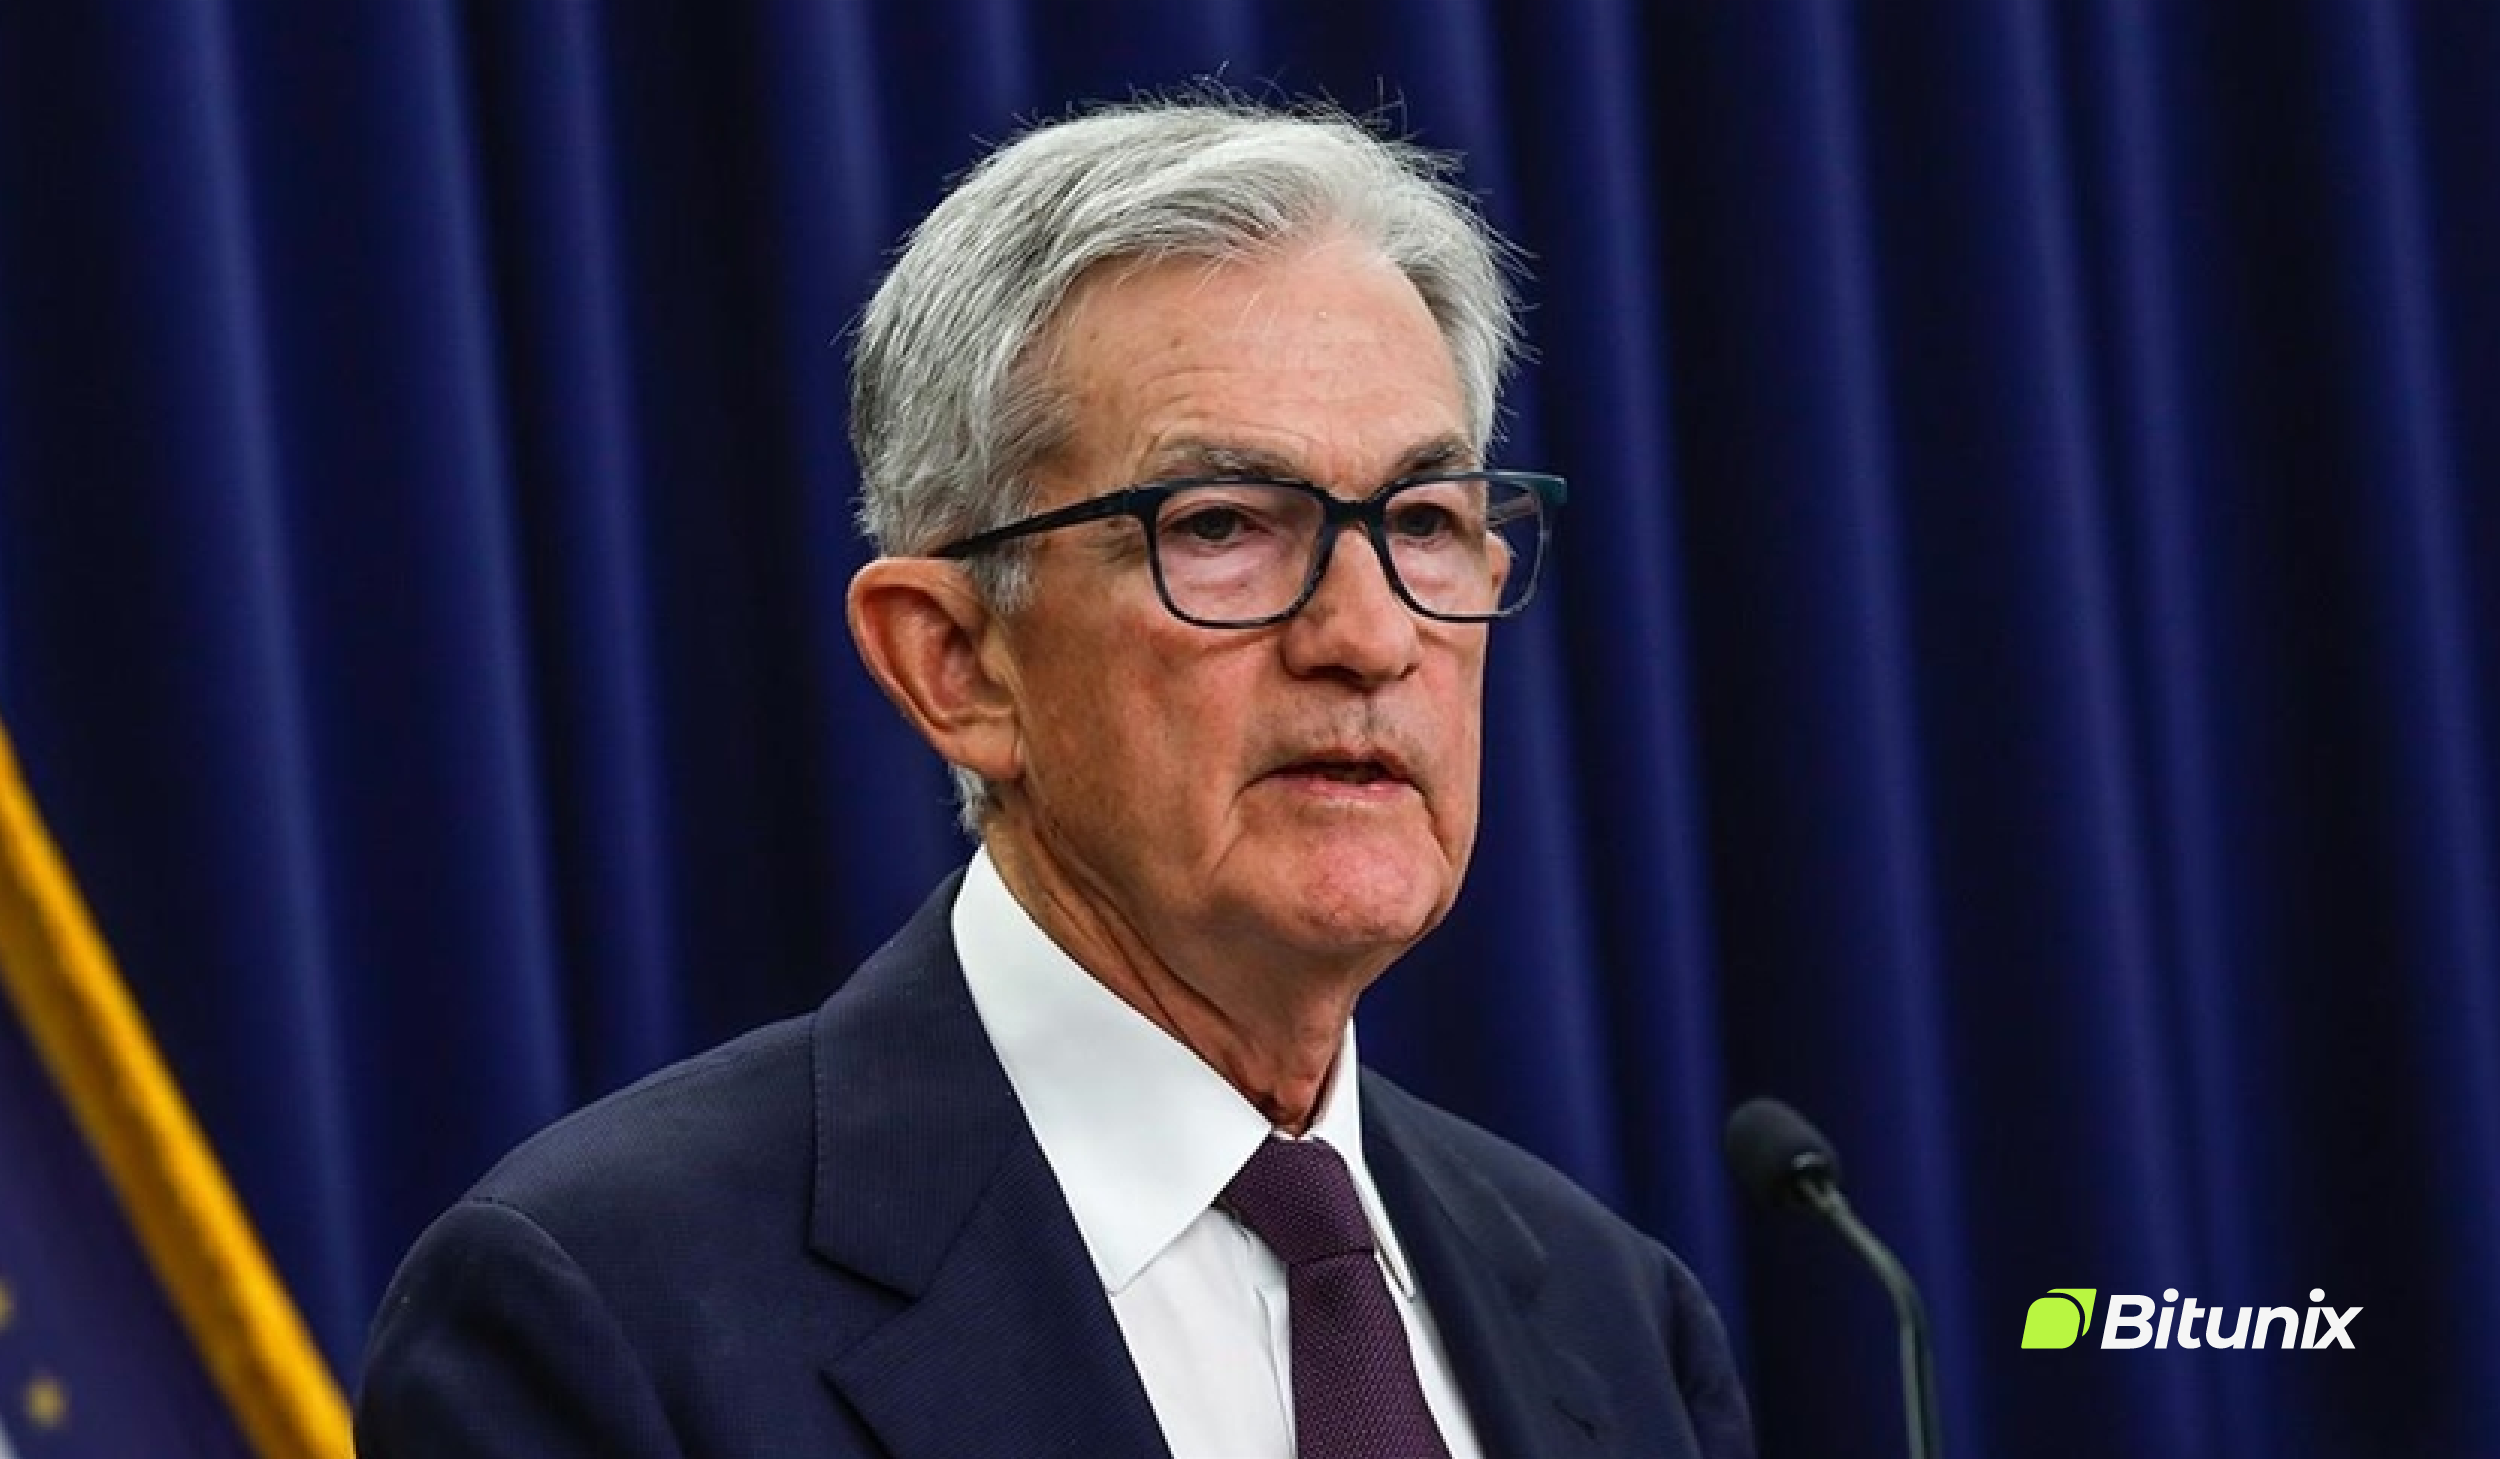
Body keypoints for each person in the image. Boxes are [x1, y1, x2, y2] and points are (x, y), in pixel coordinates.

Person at [356, 97, 1753, 1459]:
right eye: (1221, 525)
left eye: (1425, 521)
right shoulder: (604, 1313)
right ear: (956, 661)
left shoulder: (1616, 1319)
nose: (1371, 635)